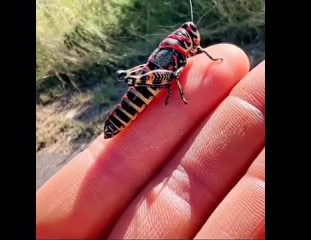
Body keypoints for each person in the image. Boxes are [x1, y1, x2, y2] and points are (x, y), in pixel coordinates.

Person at [36, 43, 265, 239]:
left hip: (151, 80)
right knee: (173, 74)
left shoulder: (177, 52)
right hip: (140, 95)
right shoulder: (172, 53)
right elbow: (173, 73)